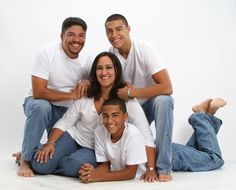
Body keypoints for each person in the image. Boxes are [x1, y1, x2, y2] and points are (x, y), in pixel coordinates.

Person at [30, 52, 158, 182]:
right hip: (73, 137)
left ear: (116, 70)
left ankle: (45, 157)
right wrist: (50, 143)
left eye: (108, 67)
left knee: (74, 165)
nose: (104, 72)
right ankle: (36, 154)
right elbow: (65, 122)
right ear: (94, 72)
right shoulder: (86, 94)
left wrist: (151, 169)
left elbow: (146, 134)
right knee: (40, 165)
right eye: (99, 68)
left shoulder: (126, 99)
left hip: (94, 148)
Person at [14, 17, 93, 177]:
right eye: (71, 35)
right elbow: (38, 92)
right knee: (42, 107)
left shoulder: (87, 58)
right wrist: (70, 95)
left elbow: (95, 82)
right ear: (62, 36)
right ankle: (26, 160)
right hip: (39, 104)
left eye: (81, 35)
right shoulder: (46, 53)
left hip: (66, 113)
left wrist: (86, 80)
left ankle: (29, 151)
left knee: (54, 155)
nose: (76, 40)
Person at [105, 14, 174, 181]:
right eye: (109, 31)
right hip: (131, 109)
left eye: (119, 29)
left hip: (149, 103)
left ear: (129, 29)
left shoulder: (144, 49)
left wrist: (133, 93)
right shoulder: (111, 54)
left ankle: (164, 167)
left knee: (164, 100)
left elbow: (167, 87)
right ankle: (203, 121)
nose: (114, 35)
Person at [79, 97, 147, 183]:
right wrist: (90, 173)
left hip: (137, 179)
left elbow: (130, 173)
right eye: (105, 116)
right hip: (116, 175)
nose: (109, 121)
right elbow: (105, 165)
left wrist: (97, 177)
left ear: (125, 116)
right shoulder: (99, 131)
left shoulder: (133, 133)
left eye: (115, 115)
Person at [172, 97, 226, 172]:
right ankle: (206, 115)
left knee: (214, 159)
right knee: (196, 151)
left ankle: (201, 115)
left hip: (164, 154)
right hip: (162, 148)